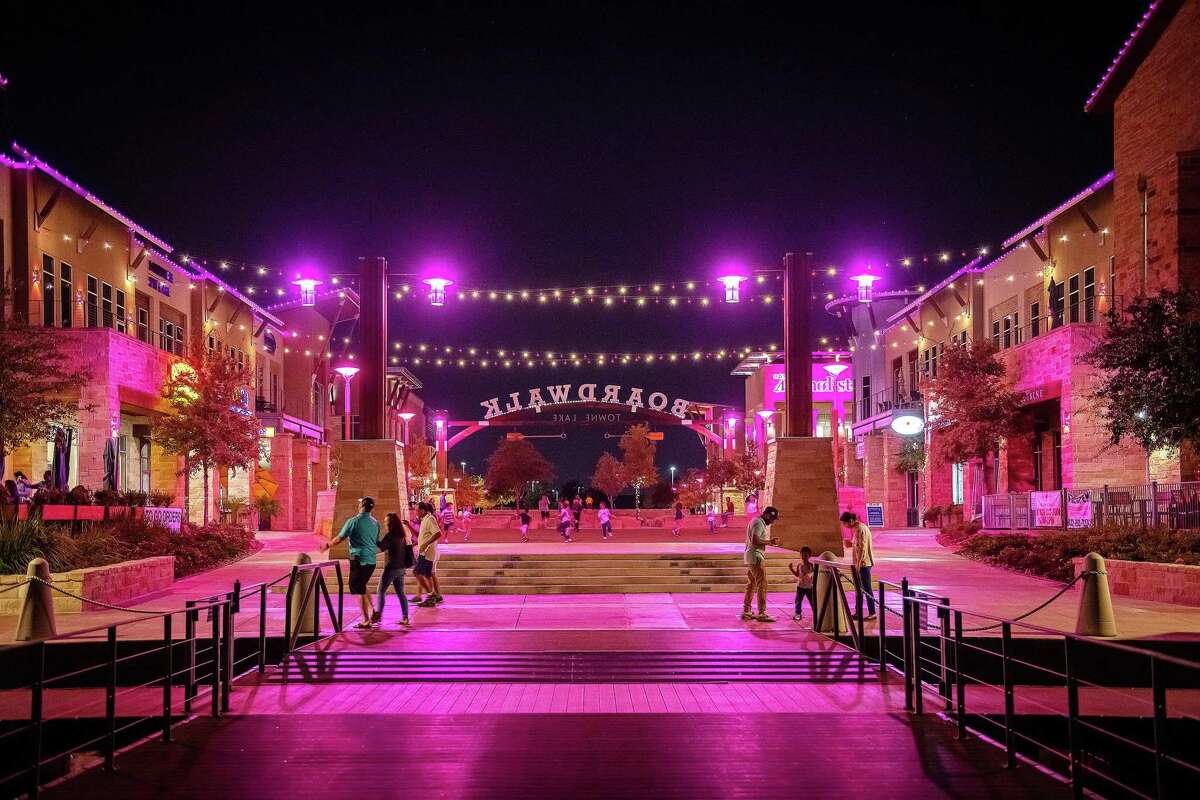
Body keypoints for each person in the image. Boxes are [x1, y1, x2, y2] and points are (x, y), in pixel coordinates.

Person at [320, 496, 380, 629]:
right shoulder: (376, 522)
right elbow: (375, 540)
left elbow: (339, 538)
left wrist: (327, 545)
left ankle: (365, 620)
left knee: (358, 589)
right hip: (371, 560)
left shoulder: (353, 521)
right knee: (362, 585)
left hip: (358, 559)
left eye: (360, 504)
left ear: (362, 506)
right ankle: (373, 611)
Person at [373, 512, 412, 626]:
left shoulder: (390, 536)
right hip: (401, 568)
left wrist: (374, 537)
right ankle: (405, 617)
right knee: (401, 593)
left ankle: (378, 615)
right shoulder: (401, 535)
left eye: (386, 521)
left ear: (391, 523)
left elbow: (382, 547)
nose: (385, 523)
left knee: (381, 591)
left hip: (391, 568)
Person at [742, 506, 780, 622]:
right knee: (762, 584)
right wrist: (770, 542)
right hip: (756, 557)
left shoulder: (755, 521)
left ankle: (747, 610)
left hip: (750, 557)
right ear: (767, 515)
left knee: (752, 584)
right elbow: (755, 540)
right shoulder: (758, 523)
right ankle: (762, 612)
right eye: (772, 519)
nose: (772, 521)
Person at [841, 511, 877, 619]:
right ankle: (858, 612)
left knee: (866, 589)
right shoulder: (857, 529)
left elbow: (862, 548)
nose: (844, 526)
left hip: (863, 564)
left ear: (850, 521)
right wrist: (850, 544)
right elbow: (857, 545)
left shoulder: (861, 529)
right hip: (860, 564)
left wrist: (857, 564)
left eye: (845, 523)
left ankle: (872, 612)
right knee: (859, 589)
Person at [412, 502, 444, 607]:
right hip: (425, 551)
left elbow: (438, 533)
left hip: (426, 553)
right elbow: (424, 536)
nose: (416, 513)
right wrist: (417, 543)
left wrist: (425, 543)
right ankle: (431, 598)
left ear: (423, 510)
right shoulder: (424, 520)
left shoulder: (430, 519)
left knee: (417, 572)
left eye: (417, 510)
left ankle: (431, 595)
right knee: (427, 575)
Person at [789, 546, 816, 625]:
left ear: (809, 555)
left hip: (809, 587)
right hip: (800, 587)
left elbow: (814, 575)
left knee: (812, 601)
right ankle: (798, 614)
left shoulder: (812, 565)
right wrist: (791, 569)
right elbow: (797, 575)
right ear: (800, 555)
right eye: (802, 555)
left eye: (806, 555)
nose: (804, 557)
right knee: (798, 601)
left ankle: (816, 614)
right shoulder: (799, 565)